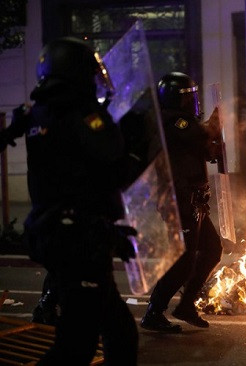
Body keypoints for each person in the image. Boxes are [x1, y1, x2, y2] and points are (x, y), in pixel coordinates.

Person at [0, 36, 139, 365]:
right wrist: (134, 145)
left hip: (60, 232)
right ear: (77, 73)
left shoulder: (41, 112)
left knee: (120, 333)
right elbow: (114, 170)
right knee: (75, 347)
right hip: (80, 242)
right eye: (91, 73)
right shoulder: (84, 115)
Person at [139, 72, 224, 332]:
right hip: (178, 202)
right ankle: (154, 311)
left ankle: (186, 304)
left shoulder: (183, 124)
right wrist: (214, 124)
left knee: (211, 250)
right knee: (185, 258)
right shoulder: (174, 121)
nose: (193, 102)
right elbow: (200, 134)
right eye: (190, 98)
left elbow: (203, 148)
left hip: (194, 202)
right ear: (179, 100)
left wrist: (212, 145)